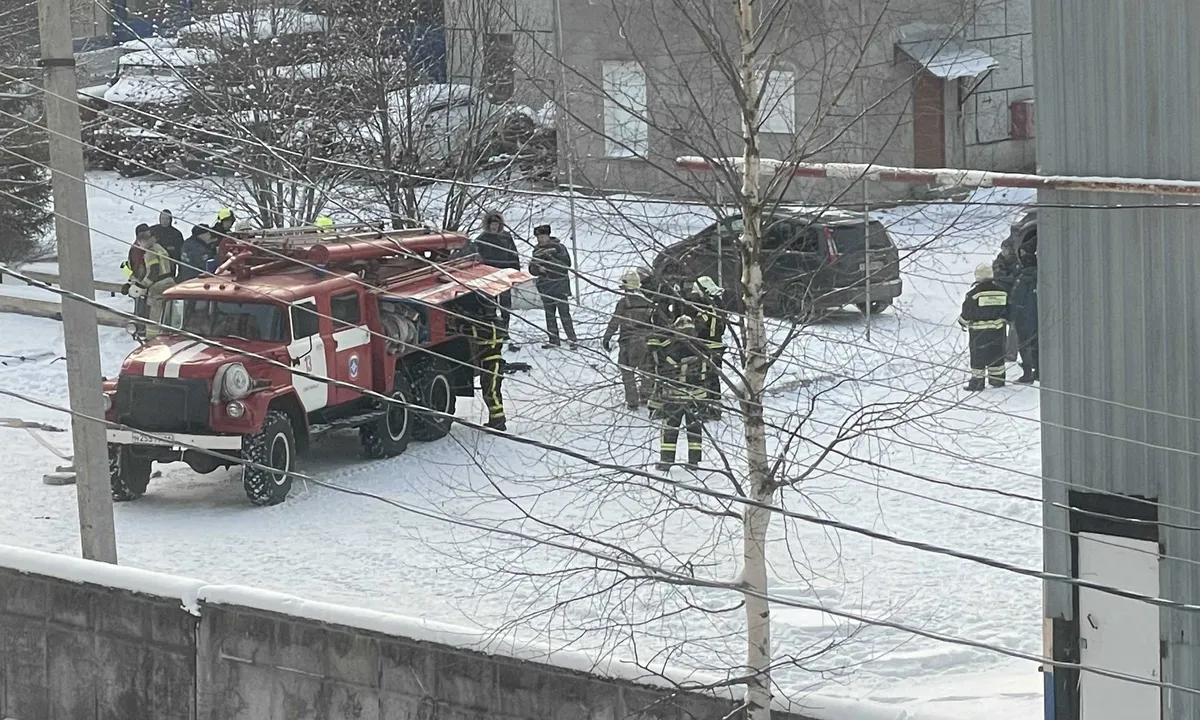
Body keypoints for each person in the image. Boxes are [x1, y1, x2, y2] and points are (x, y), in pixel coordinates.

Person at [656, 314, 708, 471]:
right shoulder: (702, 347)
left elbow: (664, 370)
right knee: (694, 429)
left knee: (670, 428)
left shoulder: (671, 347)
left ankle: (666, 461)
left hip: (674, 396)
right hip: (696, 395)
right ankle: (694, 462)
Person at [602, 269, 655, 409]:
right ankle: (646, 396)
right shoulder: (648, 301)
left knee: (626, 370)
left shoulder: (624, 303)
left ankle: (632, 401)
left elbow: (615, 321)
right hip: (646, 341)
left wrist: (607, 337)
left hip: (628, 341)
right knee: (647, 370)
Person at [460, 211, 520, 328]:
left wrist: (515, 273)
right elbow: (476, 258)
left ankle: (505, 328)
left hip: (505, 275)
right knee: (489, 304)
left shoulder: (506, 237)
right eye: (492, 224)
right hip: (489, 276)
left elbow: (513, 255)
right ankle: (492, 328)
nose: (494, 227)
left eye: (496, 224)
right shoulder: (482, 239)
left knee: (505, 304)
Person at [958, 263, 1010, 391]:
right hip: (998, 332)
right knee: (996, 355)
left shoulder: (974, 294)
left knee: (978, 357)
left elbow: (967, 313)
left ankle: (977, 382)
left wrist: (962, 322)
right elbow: (1009, 311)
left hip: (978, 333)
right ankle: (997, 379)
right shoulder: (1002, 292)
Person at [529, 224, 577, 348]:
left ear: (548, 236)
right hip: (545, 286)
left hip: (559, 285)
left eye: (543, 236)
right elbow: (532, 268)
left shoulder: (559, 248)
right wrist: (539, 269)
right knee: (549, 314)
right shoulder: (537, 250)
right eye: (538, 237)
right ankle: (553, 339)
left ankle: (572, 338)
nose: (540, 239)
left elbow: (565, 265)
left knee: (564, 313)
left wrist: (548, 265)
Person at [686, 275, 727, 420]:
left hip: (707, 347)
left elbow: (698, 327)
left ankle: (707, 410)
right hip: (717, 346)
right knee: (714, 378)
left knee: (705, 378)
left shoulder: (705, 311)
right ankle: (715, 410)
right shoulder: (719, 306)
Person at [466, 293, 509, 431]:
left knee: (491, 392)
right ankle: (495, 420)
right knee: (491, 391)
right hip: (493, 362)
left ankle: (498, 422)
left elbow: (469, 333)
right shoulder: (499, 322)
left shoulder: (482, 326)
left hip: (491, 363)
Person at [123, 224, 174, 337]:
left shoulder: (149, 252)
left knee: (154, 316)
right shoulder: (159, 247)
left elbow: (153, 272)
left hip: (157, 286)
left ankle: (151, 339)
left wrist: (142, 286)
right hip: (169, 282)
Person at [1010, 241, 1039, 384]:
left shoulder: (1023, 279)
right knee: (1037, 344)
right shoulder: (1041, 277)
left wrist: (1011, 313)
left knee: (1024, 344)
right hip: (1038, 315)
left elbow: (1016, 298)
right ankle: (1038, 371)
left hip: (1024, 316)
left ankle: (1027, 373)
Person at [992, 237, 1020, 362]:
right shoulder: (997, 263)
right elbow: (1002, 277)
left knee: (1014, 327)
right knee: (999, 326)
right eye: (1004, 249)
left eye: (1008, 249)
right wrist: (1011, 277)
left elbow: (1016, 277)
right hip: (1000, 299)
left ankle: (1011, 353)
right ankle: (1000, 352)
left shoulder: (1017, 262)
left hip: (1014, 299)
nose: (1006, 251)